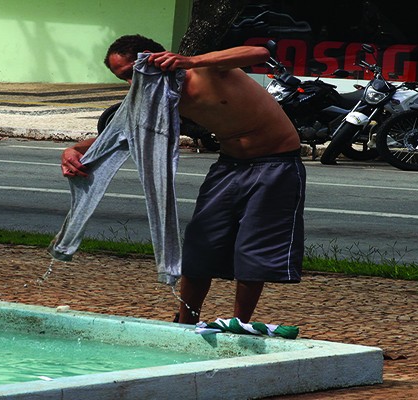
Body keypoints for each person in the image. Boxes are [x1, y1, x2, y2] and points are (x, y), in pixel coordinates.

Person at [61, 34, 305, 325]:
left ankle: (239, 324)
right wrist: (74, 150)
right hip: (229, 166)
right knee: (201, 241)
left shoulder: (205, 68)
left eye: (130, 74)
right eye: (123, 79)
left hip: (276, 163)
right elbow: (118, 136)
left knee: (251, 248)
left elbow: (259, 53)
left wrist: (191, 60)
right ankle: (186, 320)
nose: (130, 84)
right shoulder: (158, 96)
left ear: (151, 58)